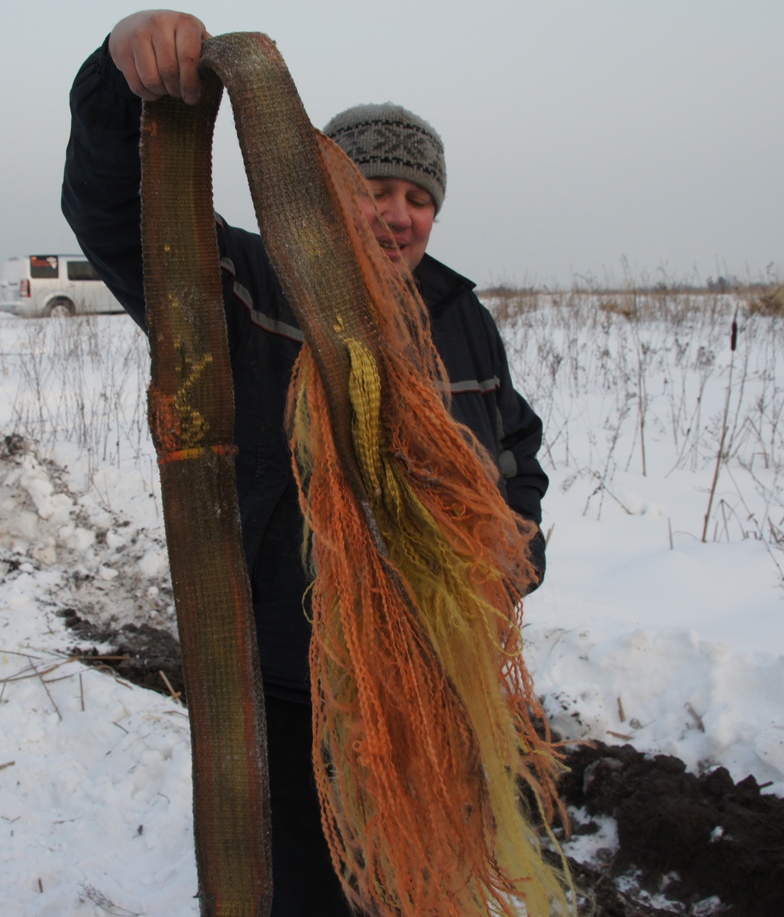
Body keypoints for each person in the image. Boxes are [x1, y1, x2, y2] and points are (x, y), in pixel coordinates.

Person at [62, 11, 550, 915]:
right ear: (323, 188)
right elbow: (118, 217)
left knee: (420, 891)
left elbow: (516, 459)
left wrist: (512, 558)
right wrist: (116, 77)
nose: (397, 214)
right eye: (373, 187)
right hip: (295, 690)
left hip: (438, 684)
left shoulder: (463, 318)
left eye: (418, 196)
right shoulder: (251, 284)